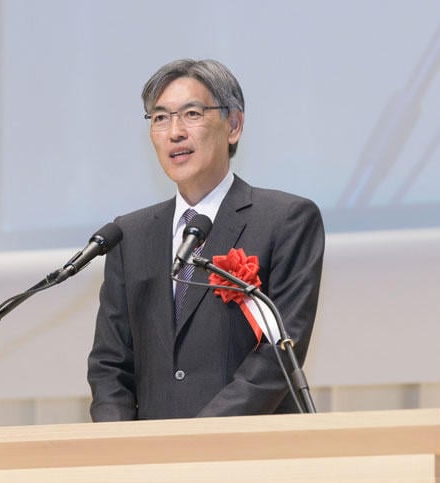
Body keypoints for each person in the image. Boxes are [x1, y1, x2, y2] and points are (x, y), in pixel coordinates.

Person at [87, 59, 325, 421]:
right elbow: (110, 364)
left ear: (234, 125)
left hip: (249, 445)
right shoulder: (130, 235)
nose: (174, 132)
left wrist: (201, 438)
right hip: (151, 451)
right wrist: (120, 442)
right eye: (160, 117)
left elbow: (277, 355)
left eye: (192, 114)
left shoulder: (285, 220)